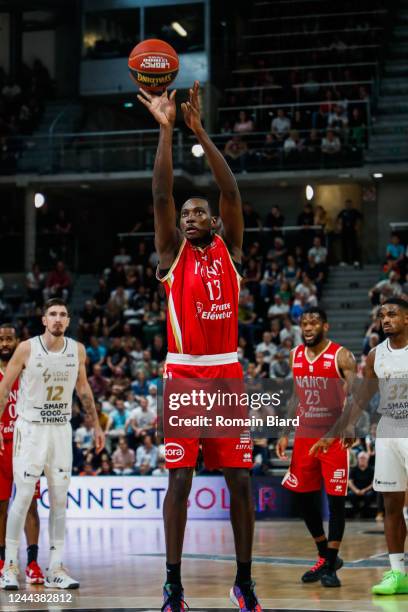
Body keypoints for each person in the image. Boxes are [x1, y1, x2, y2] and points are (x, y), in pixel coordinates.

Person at [138, 81, 262, 611]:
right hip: (184, 375)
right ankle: (172, 583)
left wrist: (200, 133)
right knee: (180, 481)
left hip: (228, 374)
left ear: (213, 220)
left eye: (197, 213)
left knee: (239, 479)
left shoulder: (230, 249)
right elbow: (161, 194)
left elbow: (231, 192)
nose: (188, 217)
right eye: (184, 214)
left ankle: (244, 580)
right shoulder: (169, 254)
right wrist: (167, 131)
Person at [0, 298, 105, 590]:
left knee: (60, 499)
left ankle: (56, 567)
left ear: (68, 321)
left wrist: (96, 425)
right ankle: (10, 565)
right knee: (21, 497)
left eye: (63, 315)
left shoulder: (77, 350)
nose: (58, 319)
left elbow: (83, 388)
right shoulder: (27, 348)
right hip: (30, 430)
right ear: (44, 320)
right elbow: (5, 387)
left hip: (60, 429)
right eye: (53, 315)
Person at [276, 307, 357, 588]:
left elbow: (356, 398)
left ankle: (331, 565)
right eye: (304, 323)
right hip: (305, 436)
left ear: (326, 326)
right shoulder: (295, 355)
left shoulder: (342, 355)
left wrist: (344, 428)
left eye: (313, 323)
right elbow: (295, 395)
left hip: (334, 438)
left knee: (335, 503)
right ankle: (325, 556)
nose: (308, 327)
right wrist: (284, 431)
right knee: (302, 499)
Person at [347, 299, 408, 595]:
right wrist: (347, 425)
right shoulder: (375, 355)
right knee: (391, 506)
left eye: (392, 314)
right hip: (388, 430)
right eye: (382, 315)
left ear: (407, 318)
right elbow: (362, 394)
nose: (385, 319)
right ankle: (398, 574)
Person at [0, 324, 44, 584]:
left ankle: (34, 563)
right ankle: (4, 561)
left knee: (30, 505)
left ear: (17, 341)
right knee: (2, 506)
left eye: (9, 339)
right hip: (2, 446)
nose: (5, 343)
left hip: (27, 445)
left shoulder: (29, 371)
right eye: (1, 339)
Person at [347, 451, 375, 518]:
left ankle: (364, 513)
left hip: (367, 490)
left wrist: (364, 490)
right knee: (350, 494)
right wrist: (356, 490)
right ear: (358, 459)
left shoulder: (371, 470)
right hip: (356, 490)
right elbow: (349, 482)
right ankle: (357, 511)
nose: (362, 460)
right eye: (360, 458)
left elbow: (373, 483)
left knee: (369, 495)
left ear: (367, 459)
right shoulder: (354, 469)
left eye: (364, 458)